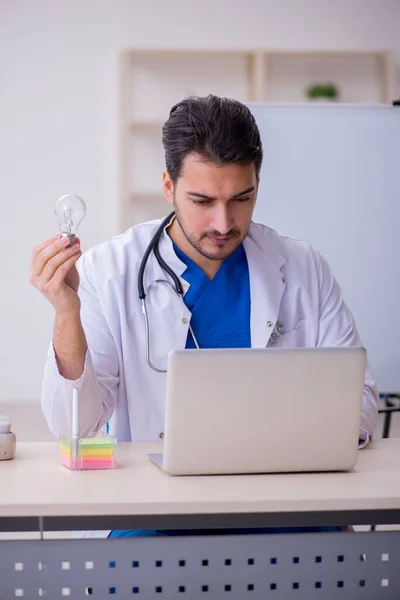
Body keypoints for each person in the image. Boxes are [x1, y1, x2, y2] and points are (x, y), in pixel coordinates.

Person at [31, 94, 378, 537]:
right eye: (202, 200)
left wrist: (304, 439)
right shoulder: (108, 270)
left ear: (258, 183)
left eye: (241, 198)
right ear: (168, 186)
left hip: (285, 507)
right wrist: (66, 314)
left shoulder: (303, 267)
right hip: (156, 515)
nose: (222, 223)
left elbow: (361, 398)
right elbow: (74, 425)